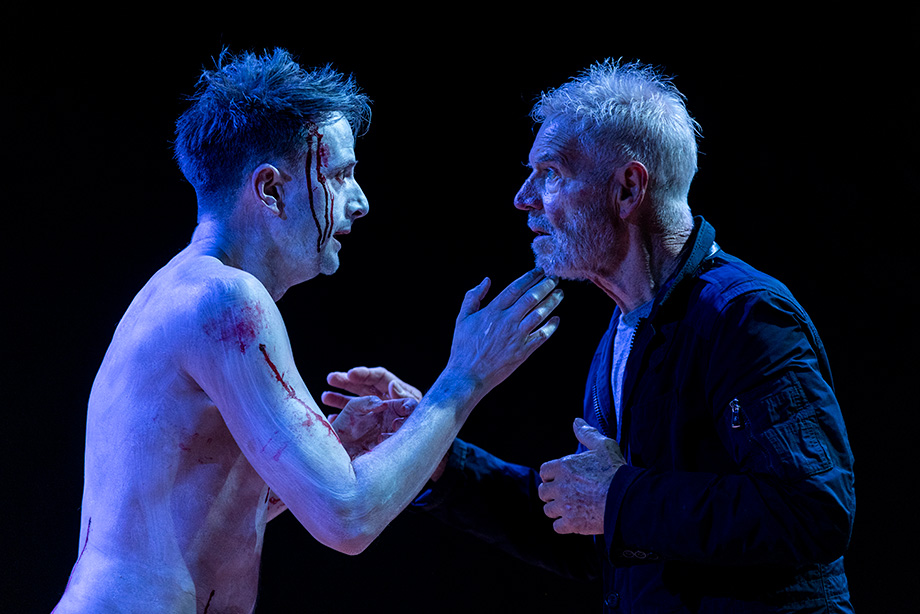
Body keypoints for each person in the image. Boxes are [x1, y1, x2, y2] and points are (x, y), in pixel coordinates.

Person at [325, 59, 856, 612]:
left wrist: (618, 497)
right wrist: (437, 459)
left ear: (628, 188)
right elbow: (598, 539)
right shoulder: (623, 332)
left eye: (551, 173)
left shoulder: (745, 318)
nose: (523, 198)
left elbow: (814, 510)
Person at [51, 49, 564, 614]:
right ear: (270, 190)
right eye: (340, 174)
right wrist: (466, 376)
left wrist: (332, 453)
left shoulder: (181, 294)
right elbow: (347, 517)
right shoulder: (225, 300)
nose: (361, 202)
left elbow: (191, 500)